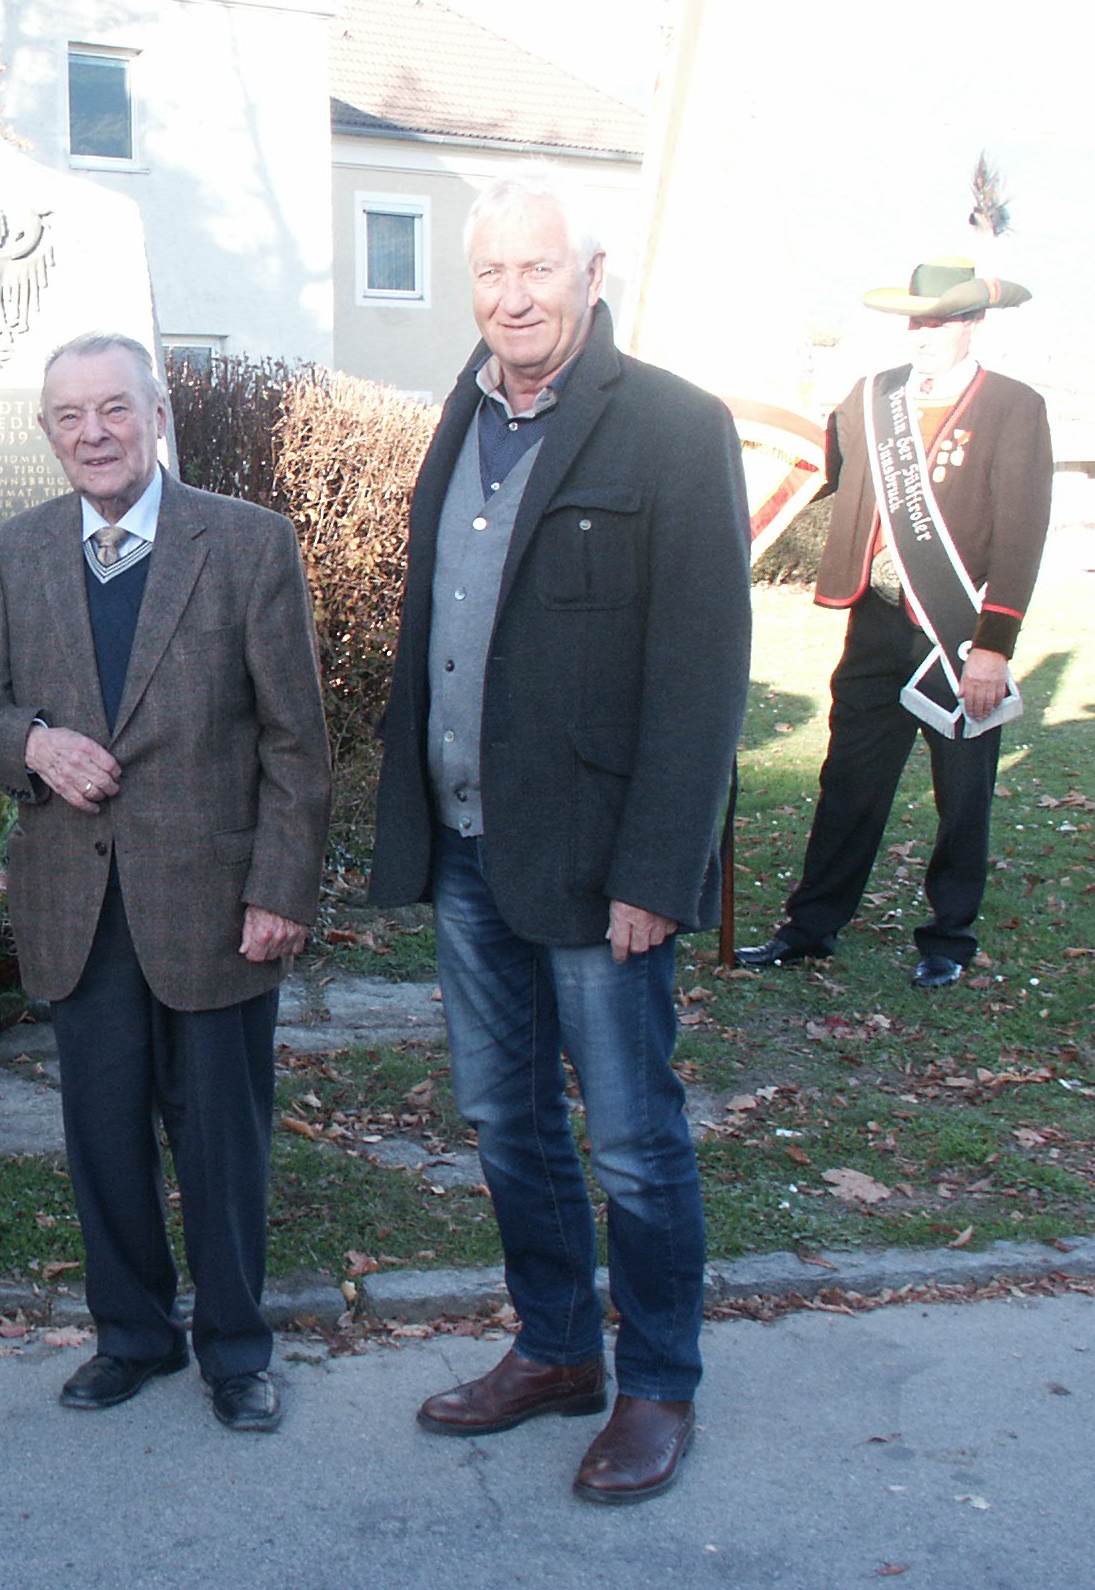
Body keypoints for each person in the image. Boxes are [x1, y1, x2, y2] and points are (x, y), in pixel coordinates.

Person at [367, 176, 750, 1505]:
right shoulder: (459, 418)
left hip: (600, 867)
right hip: (474, 846)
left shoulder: (673, 427)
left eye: (538, 269)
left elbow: (703, 673)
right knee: (504, 1122)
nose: (512, 297)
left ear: (592, 273)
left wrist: (662, 869)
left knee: (635, 1139)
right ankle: (553, 1348)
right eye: (490, 276)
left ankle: (657, 1384)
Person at [0, 333, 330, 1434]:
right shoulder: (15, 553)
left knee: (220, 1142)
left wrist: (281, 890)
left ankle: (237, 1350)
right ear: (47, 432)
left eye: (115, 408)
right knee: (103, 1138)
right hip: (77, 903)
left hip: (214, 903)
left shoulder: (246, 544)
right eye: (69, 415)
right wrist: (35, 746)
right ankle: (133, 1335)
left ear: (157, 417)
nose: (94, 433)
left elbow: (297, 742)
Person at [738, 261, 1051, 989]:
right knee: (849, 782)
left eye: (939, 320)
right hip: (875, 625)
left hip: (959, 630)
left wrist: (994, 649)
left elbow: (1022, 533)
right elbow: (822, 477)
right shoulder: (871, 398)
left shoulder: (1014, 404)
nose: (923, 334)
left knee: (962, 794)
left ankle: (949, 937)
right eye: (915, 319)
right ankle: (811, 927)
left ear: (973, 324)